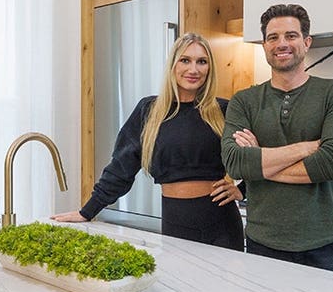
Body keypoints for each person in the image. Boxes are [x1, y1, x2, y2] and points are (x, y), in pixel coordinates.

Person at [52, 33, 244, 250]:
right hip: (174, 221)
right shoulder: (149, 111)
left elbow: (259, 157)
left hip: (222, 224)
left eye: (202, 61)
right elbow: (121, 167)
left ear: (210, 68)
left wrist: (243, 190)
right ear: (172, 65)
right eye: (185, 60)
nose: (194, 69)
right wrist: (87, 211)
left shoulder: (224, 110)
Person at [220, 3, 333, 273]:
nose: (281, 43)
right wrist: (307, 147)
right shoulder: (244, 101)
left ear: (307, 43)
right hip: (263, 245)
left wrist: (260, 160)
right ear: (264, 46)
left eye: (291, 36)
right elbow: (236, 163)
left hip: (325, 246)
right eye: (273, 37)